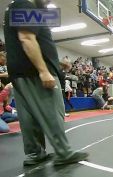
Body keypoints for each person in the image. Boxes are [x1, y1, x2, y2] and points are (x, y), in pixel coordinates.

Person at [3, 0, 88, 166]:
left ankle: (35, 153)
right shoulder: (26, 4)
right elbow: (27, 39)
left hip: (21, 73)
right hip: (34, 71)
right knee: (53, 109)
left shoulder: (18, 6)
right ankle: (64, 152)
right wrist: (43, 70)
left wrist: (57, 63)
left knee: (28, 116)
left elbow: (31, 40)